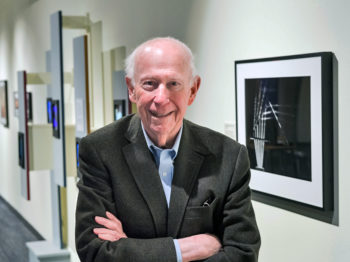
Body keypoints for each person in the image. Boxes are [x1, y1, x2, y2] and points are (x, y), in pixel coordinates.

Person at [75, 37, 261, 262]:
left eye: (174, 84)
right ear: (132, 89)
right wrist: (187, 248)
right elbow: (94, 251)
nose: (161, 99)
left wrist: (130, 248)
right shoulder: (99, 150)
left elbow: (243, 253)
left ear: (192, 90)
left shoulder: (229, 157)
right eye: (149, 84)